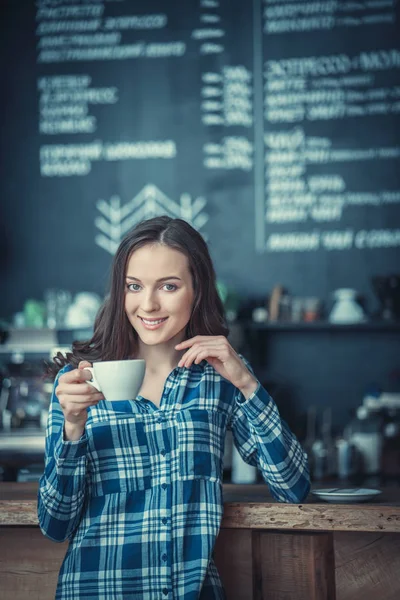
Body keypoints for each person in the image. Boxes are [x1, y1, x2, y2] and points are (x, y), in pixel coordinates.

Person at [38, 215, 310, 600]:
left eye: (168, 285)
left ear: (197, 291)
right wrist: (72, 426)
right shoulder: (80, 381)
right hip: (94, 589)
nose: (148, 304)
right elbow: (55, 525)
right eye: (134, 286)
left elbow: (293, 488)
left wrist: (247, 383)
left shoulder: (219, 380)